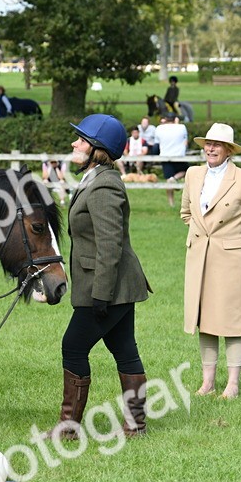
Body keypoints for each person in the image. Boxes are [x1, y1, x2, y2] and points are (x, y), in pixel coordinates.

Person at [49, 114, 150, 440]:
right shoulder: (93, 178)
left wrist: (101, 296)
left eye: (80, 140)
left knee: (73, 346)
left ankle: (68, 430)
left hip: (109, 286)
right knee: (124, 349)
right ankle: (136, 428)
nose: (74, 144)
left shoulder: (105, 184)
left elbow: (110, 245)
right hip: (114, 285)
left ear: (97, 148)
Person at [181, 123, 241, 400]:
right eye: (207, 143)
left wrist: (236, 240)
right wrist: (199, 235)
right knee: (204, 320)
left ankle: (232, 383)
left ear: (228, 150)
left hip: (230, 259)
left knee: (231, 321)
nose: (210, 148)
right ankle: (207, 382)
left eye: (217, 144)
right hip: (199, 257)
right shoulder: (193, 174)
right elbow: (186, 212)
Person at [154, 113, 188, 206]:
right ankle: (175, 178)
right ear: (175, 119)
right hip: (179, 156)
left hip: (165, 156)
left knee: (168, 180)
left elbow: (156, 145)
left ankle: (171, 203)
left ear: (165, 119)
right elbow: (185, 141)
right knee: (186, 171)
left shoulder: (159, 128)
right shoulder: (182, 127)